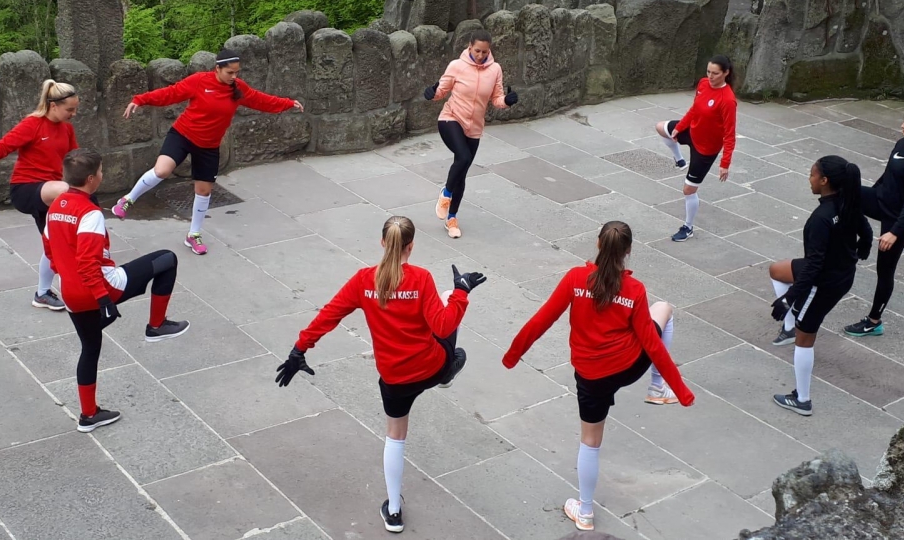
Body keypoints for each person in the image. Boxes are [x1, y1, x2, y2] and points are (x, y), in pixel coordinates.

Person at [274, 216, 486, 533]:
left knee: (395, 437)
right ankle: (448, 372)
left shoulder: (364, 281)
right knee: (449, 315)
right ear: (411, 247)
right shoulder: (421, 278)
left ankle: (394, 512)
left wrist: (299, 349)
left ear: (382, 243)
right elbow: (443, 326)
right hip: (430, 366)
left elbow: (329, 315)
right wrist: (462, 291)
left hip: (395, 378)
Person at [501, 221, 695, 532]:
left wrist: (513, 355)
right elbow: (652, 344)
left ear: (598, 244)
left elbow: (542, 320)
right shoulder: (635, 290)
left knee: (590, 442)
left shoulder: (575, 279)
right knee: (664, 309)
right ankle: (657, 387)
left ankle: (585, 512)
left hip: (590, 376)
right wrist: (681, 391)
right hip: (629, 365)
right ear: (628, 251)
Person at [43, 148, 191, 433]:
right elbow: (88, 263)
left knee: (90, 349)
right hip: (102, 287)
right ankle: (156, 326)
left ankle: (88, 415)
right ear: (91, 179)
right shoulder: (90, 213)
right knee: (166, 259)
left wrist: (66, 276)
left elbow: (49, 249)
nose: (102, 174)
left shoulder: (55, 207)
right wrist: (103, 300)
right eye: (100, 171)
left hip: (70, 294)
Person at [112, 48, 304, 255]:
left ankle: (193, 235)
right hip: (183, 135)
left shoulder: (238, 88)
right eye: (230, 72)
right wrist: (140, 99)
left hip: (209, 146)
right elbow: (170, 93)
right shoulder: (199, 81)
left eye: (237, 72)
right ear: (217, 69)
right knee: (162, 171)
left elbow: (260, 100)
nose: (234, 76)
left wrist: (287, 103)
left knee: (203, 191)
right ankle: (127, 200)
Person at [0, 79, 80, 311]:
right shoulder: (33, 124)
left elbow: (74, 160)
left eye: (75, 109)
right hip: (26, 189)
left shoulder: (67, 128)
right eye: (70, 109)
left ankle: (42, 294)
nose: (73, 114)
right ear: (53, 105)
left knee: (57, 242)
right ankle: (74, 284)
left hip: (51, 191)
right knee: (66, 191)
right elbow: (3, 146)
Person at [768, 156, 872, 416]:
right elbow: (866, 230)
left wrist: (789, 299)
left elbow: (813, 267)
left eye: (812, 175)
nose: (809, 179)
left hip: (824, 283)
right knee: (776, 270)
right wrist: (863, 249)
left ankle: (802, 399)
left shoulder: (821, 218)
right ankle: (789, 327)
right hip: (841, 271)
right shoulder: (848, 202)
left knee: (806, 337)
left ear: (824, 180)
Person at [426, 30, 519, 239]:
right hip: (451, 119)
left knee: (462, 172)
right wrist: (432, 94)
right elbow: (441, 91)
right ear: (469, 47)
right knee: (463, 157)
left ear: (489, 50)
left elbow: (496, 99)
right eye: (477, 50)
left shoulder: (495, 69)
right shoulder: (456, 66)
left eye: (484, 52)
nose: (480, 55)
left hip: (474, 128)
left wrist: (507, 101)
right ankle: (445, 194)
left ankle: (451, 219)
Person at [843, 103, 904, 337]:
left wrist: (895, 232)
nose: (903, 125)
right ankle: (861, 239)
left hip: (899, 218)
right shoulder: (902, 143)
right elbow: (888, 176)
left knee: (885, 269)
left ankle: (873, 321)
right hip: (881, 200)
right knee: (844, 192)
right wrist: (870, 193)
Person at [655, 55, 738, 242]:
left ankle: (688, 227)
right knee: (661, 128)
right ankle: (680, 161)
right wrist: (679, 127)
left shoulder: (727, 100)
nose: (710, 76)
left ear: (726, 73)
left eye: (715, 73)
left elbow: (729, 134)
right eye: (708, 72)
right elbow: (695, 109)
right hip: (692, 131)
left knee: (688, 190)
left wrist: (725, 163)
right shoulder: (703, 84)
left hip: (705, 150)